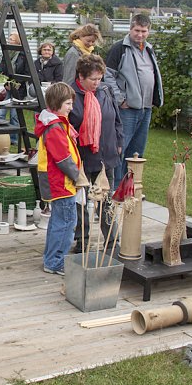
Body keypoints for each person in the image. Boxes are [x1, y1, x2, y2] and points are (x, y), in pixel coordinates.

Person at [69, 54, 123, 253]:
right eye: (93, 79)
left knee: (106, 201)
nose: (97, 83)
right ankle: (82, 241)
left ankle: (111, 242)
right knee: (80, 202)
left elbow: (117, 119)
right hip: (82, 157)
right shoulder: (70, 94)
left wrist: (119, 142)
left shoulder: (105, 91)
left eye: (100, 78)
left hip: (105, 154)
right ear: (81, 77)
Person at [104, 14, 163, 182]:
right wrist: (120, 99)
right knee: (121, 149)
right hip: (127, 109)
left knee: (137, 152)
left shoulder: (149, 49)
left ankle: (130, 189)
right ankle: (115, 189)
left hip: (146, 108)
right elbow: (108, 77)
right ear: (130, 29)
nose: (140, 35)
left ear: (148, 31)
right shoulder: (119, 49)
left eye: (144, 31)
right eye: (137, 30)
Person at [34, 82, 82, 276]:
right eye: (68, 103)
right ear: (57, 103)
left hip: (60, 182)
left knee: (58, 222)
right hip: (61, 183)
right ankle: (55, 262)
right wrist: (77, 177)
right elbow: (62, 158)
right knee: (66, 223)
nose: (71, 107)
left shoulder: (56, 123)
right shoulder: (54, 128)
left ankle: (52, 258)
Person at [0, 31, 28, 145]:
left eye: (12, 39)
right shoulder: (6, 53)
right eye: (9, 39)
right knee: (1, 113)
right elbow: (1, 69)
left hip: (18, 88)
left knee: (14, 115)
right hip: (6, 87)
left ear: (18, 42)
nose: (9, 41)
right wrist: (5, 83)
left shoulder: (23, 54)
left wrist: (17, 83)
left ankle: (14, 139)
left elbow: (26, 71)